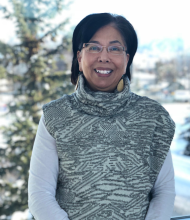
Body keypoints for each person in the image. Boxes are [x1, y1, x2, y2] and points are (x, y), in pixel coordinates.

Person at [28, 13, 176, 220]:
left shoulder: (152, 117)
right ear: (80, 58)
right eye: (94, 47)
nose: (104, 57)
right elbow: (39, 196)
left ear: (127, 59)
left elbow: (164, 191)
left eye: (115, 48)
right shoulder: (56, 116)